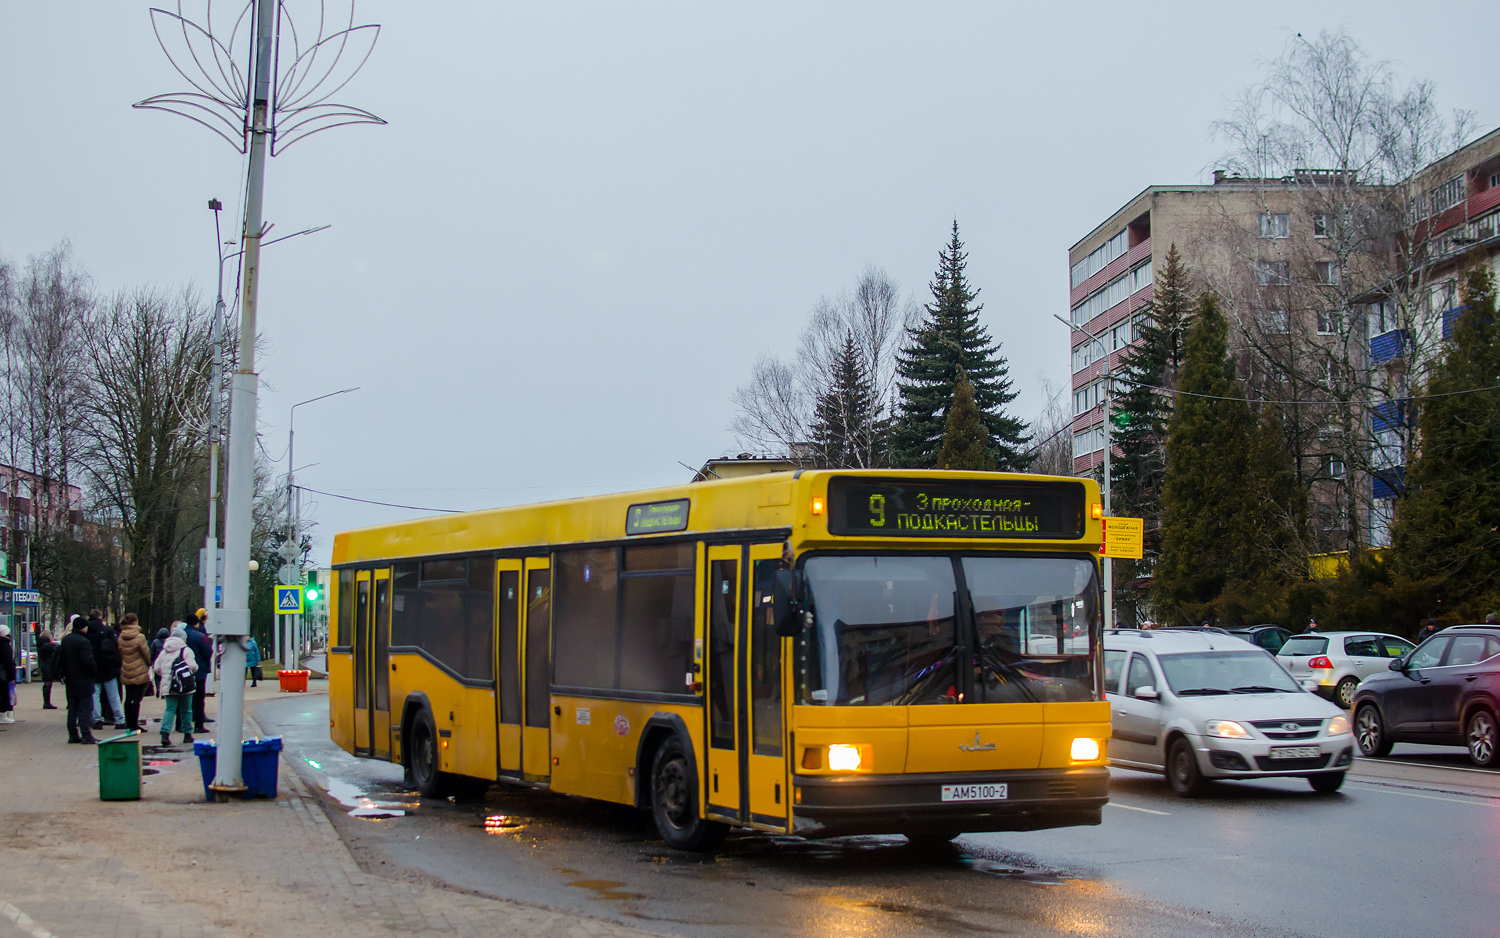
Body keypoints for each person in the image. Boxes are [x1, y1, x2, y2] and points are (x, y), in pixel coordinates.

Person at [152, 623, 197, 746]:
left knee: (170, 709)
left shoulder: (164, 650)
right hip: (185, 685)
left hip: (169, 685)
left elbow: (156, 668)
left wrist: (166, 674)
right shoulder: (186, 650)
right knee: (186, 710)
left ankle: (165, 733)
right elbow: (193, 666)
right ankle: (187, 734)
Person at [57, 614, 98, 744]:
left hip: (70, 678)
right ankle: (86, 734)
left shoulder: (66, 640)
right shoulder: (84, 642)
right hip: (84, 679)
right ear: (83, 628)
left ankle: (72, 734)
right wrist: (94, 672)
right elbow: (88, 661)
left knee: (73, 707)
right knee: (87, 707)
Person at [87, 610, 125, 729]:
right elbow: (115, 648)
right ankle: (120, 720)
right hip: (108, 668)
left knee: (94, 696)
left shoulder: (87, 631)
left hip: (93, 668)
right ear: (99, 617)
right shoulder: (107, 630)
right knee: (114, 696)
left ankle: (97, 720)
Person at [115, 613, 152, 732]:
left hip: (126, 669)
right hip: (139, 670)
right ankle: (135, 724)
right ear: (135, 622)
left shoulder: (121, 637)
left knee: (128, 697)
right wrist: (148, 664)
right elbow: (146, 654)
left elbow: (120, 653)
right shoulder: (139, 637)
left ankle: (129, 723)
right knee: (137, 698)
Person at [184, 610, 213, 733]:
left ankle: (182, 724)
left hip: (181, 671)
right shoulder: (199, 636)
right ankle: (198, 724)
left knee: (183, 697)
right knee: (199, 697)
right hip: (199, 669)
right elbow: (208, 652)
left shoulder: (181, 635)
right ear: (197, 622)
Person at [37, 631, 59, 709]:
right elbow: (56, 649)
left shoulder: (42, 644)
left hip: (45, 665)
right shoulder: (47, 645)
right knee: (48, 683)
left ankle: (46, 702)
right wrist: (53, 643)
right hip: (48, 666)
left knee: (47, 683)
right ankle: (47, 703)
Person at [0, 624, 14, 724]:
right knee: (4, 694)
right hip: (3, 674)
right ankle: (3, 715)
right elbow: (8, 662)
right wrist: (12, 676)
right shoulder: (5, 646)